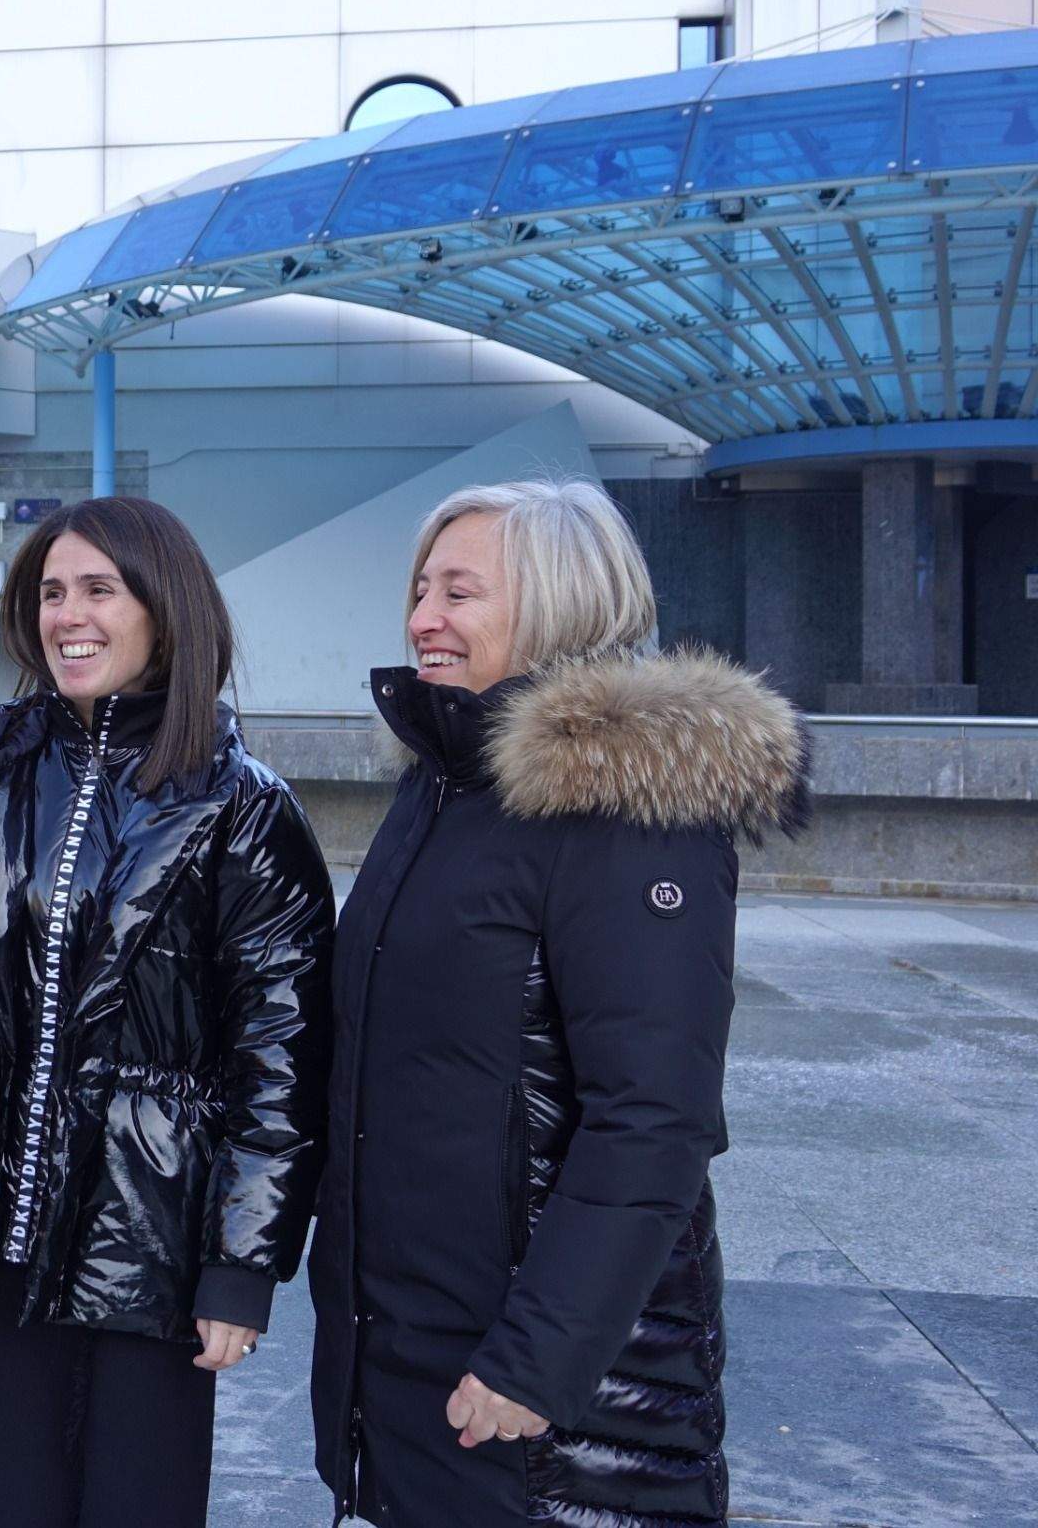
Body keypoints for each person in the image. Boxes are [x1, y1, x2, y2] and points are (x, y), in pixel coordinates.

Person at [309, 479, 809, 1528]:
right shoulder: (445, 786)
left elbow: (654, 1118)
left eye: (459, 592)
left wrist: (537, 1361)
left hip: (551, 1399)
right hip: (415, 1359)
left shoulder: (626, 808)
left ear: (558, 604)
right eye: (419, 589)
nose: (422, 617)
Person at [0, 495, 334, 1527]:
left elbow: (281, 1054)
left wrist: (242, 1261)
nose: (67, 615)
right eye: (51, 592)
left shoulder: (243, 808)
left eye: (99, 589)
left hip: (146, 1238)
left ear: (166, 606)